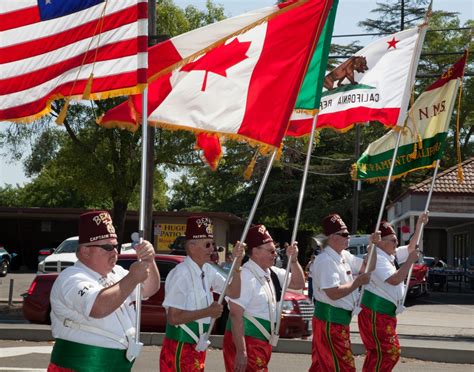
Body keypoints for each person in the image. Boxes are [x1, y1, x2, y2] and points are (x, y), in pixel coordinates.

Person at [48, 210, 160, 372]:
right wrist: (132, 278)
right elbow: (98, 307)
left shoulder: (118, 272)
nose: (115, 252)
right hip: (79, 367)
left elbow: (149, 289)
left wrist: (149, 260)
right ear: (85, 251)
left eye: (116, 246)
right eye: (107, 247)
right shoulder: (71, 278)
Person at [160, 216, 244, 371]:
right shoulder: (181, 274)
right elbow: (173, 318)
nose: (212, 249)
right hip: (180, 345)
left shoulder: (208, 270)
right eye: (207, 244)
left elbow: (234, 292)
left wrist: (237, 265)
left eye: (212, 244)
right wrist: (208, 312)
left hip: (198, 346)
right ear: (191, 247)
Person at [223, 225, 305, 372]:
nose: (275, 255)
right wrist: (241, 351)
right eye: (271, 251)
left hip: (261, 341)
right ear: (255, 251)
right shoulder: (245, 276)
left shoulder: (272, 272)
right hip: (246, 341)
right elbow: (235, 315)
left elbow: (298, 283)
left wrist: (294, 261)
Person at [358, 212, 429, 372]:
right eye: (393, 239)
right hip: (375, 313)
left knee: (380, 354)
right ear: (382, 242)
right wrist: (410, 261)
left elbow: (411, 247)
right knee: (389, 352)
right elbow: (394, 279)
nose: (397, 242)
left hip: (385, 313)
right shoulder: (378, 258)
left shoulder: (390, 255)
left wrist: (419, 226)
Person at [309, 214, 377, 372]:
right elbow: (333, 293)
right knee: (344, 367)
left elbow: (368, 267)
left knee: (322, 366)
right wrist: (357, 282)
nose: (349, 238)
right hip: (330, 320)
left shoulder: (343, 255)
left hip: (338, 321)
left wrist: (373, 246)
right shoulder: (326, 260)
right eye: (345, 234)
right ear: (332, 237)